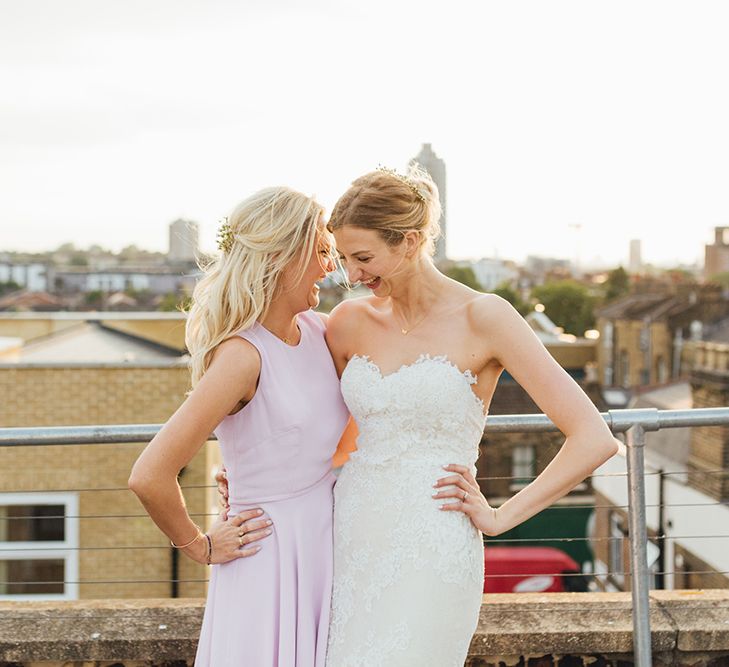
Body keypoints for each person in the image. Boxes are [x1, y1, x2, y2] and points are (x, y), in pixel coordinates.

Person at [320, 165, 619, 666]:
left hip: (435, 542)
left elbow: (593, 438)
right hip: (351, 533)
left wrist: (501, 517)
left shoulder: (487, 317)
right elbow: (316, 432)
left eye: (364, 257)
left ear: (410, 241)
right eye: (344, 259)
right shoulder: (347, 322)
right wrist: (246, 480)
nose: (351, 275)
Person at [128, 186, 349, 666]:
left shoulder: (321, 332)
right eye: (321, 252)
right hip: (265, 556)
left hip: (324, 545)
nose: (330, 267)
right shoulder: (240, 357)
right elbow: (149, 475)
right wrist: (200, 546)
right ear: (281, 257)